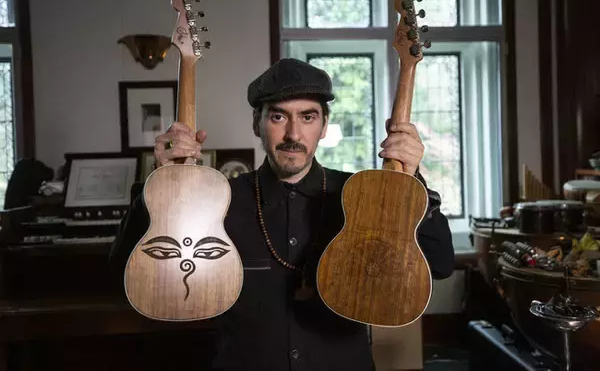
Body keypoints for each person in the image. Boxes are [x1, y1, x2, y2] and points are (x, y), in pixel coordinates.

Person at [109, 58, 454, 371]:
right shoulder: (214, 198)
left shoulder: (366, 195)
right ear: (256, 124)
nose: (293, 134)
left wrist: (413, 181)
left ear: (324, 126)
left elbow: (439, 264)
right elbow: (123, 270)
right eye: (278, 116)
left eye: (308, 117)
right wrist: (160, 182)